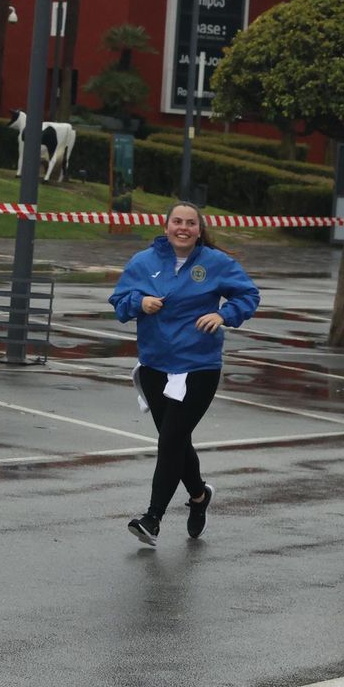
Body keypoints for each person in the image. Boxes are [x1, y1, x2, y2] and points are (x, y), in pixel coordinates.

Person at [109, 201, 260, 545]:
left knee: (171, 440)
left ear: (198, 229)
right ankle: (199, 495)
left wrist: (224, 315)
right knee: (176, 440)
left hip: (198, 367)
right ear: (166, 227)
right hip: (154, 367)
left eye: (190, 223)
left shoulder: (215, 262)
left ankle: (153, 518)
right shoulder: (143, 262)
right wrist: (139, 303)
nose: (183, 228)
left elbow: (249, 294)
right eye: (177, 221)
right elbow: (119, 302)